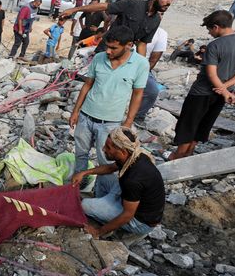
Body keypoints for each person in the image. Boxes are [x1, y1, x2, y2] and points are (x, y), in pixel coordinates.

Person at [69, 25, 149, 193]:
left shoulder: (140, 63)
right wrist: (76, 111)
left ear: (129, 45)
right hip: (85, 116)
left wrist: (128, 122)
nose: (108, 51)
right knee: (81, 153)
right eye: (107, 46)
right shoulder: (99, 58)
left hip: (110, 123)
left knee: (105, 160)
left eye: (114, 48)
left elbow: (137, 94)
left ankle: (100, 194)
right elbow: (87, 85)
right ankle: (78, 185)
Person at [169, 10, 235, 160]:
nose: (209, 33)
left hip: (201, 93)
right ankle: (188, 155)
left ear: (216, 27)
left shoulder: (215, 45)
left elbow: (211, 74)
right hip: (220, 94)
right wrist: (225, 89)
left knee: (188, 125)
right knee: (203, 124)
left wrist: (223, 89)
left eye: (209, 29)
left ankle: (177, 157)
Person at [72, 127, 165, 238]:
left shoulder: (132, 180)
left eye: (108, 147)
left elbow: (128, 215)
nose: (103, 149)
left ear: (122, 151)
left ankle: (106, 221)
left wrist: (99, 231)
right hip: (131, 199)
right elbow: (110, 168)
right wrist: (84, 173)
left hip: (140, 222)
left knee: (84, 205)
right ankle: (103, 207)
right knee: (103, 177)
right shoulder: (134, 155)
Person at [60, 0, 179, 56]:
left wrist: (142, 66)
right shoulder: (134, 4)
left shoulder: (156, 20)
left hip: (124, 55)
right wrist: (75, 9)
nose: (169, 2)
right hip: (106, 49)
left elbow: (142, 45)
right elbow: (104, 6)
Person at [135, 26, 168, 123]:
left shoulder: (161, 33)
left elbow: (153, 60)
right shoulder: (133, 25)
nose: (159, 16)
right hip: (121, 63)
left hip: (142, 67)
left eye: (162, 14)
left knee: (152, 91)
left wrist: (141, 74)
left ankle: (138, 116)